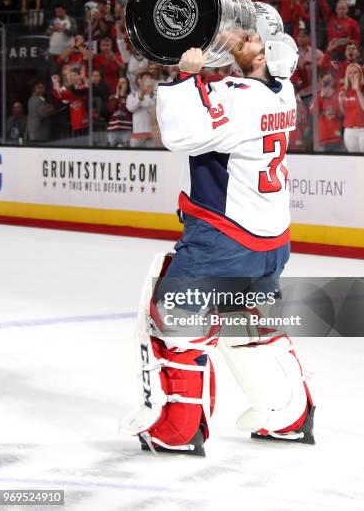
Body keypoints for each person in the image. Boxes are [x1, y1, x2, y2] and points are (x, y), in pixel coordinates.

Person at [121, 24, 314, 455]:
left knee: (173, 315)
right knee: (253, 328)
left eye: (250, 41)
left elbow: (178, 133)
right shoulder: (282, 94)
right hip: (271, 242)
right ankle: (290, 416)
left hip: (226, 239)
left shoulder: (235, 96)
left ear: (262, 58)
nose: (240, 40)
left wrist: (186, 75)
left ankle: (178, 428)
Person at [339, 63, 364, 152]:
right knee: (353, 159)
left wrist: (357, 89)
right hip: (349, 130)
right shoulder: (344, 90)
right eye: (350, 72)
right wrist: (341, 104)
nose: (352, 75)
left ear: (360, 74)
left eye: (355, 72)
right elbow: (345, 114)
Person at [125, 71, 155, 147]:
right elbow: (130, 108)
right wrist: (141, 97)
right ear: (139, 81)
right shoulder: (132, 95)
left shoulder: (155, 96)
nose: (147, 82)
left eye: (149, 80)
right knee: (134, 158)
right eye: (145, 80)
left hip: (151, 135)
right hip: (137, 134)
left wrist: (151, 95)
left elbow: (157, 110)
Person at [107, 76, 133, 147]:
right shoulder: (112, 97)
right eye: (119, 83)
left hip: (126, 128)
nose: (121, 85)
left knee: (126, 153)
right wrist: (117, 95)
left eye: (123, 83)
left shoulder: (130, 97)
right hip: (113, 128)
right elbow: (111, 109)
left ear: (127, 85)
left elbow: (129, 110)